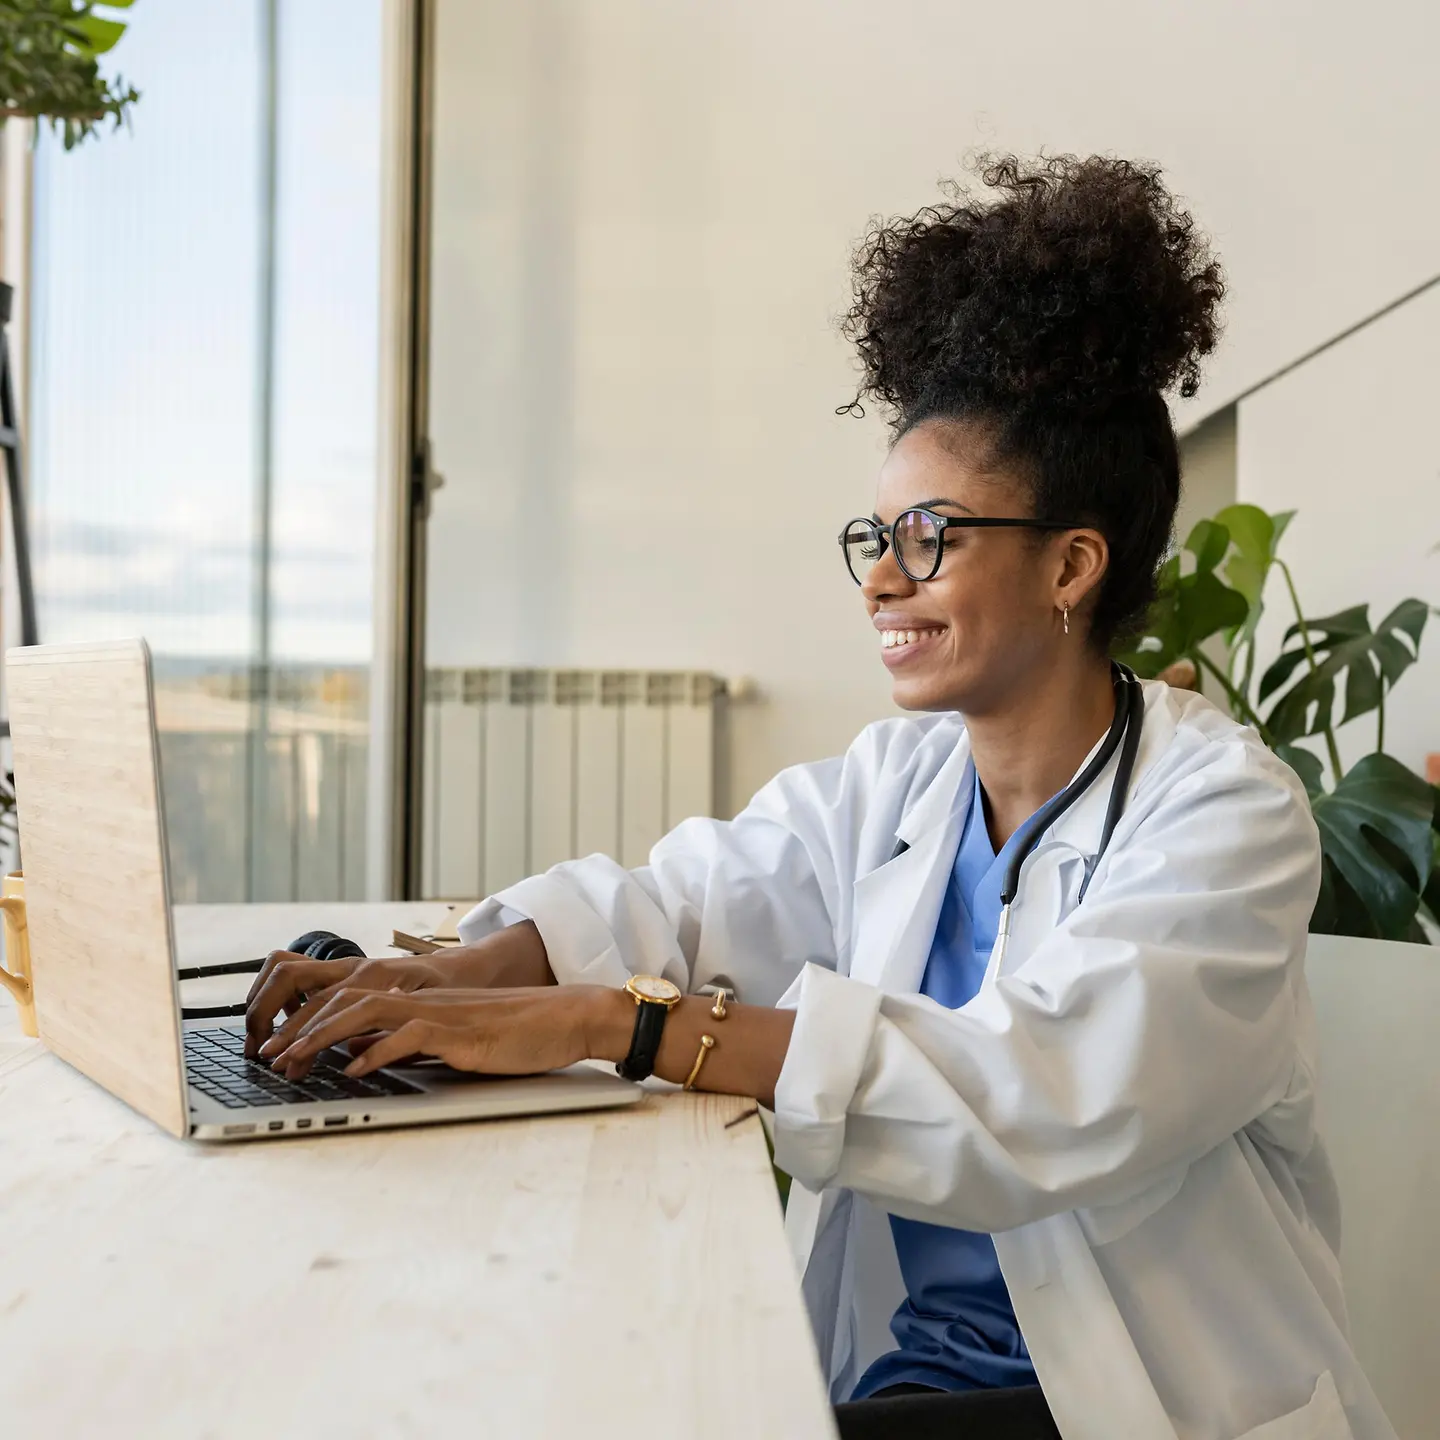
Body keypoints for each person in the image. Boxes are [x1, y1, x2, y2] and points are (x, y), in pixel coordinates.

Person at [245, 155, 1395, 1440]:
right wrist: (459, 981)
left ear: (1072, 565)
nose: (880, 584)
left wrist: (609, 1024)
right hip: (919, 1377)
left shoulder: (1225, 814)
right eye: (875, 538)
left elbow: (1035, 1092)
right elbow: (688, 900)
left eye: (929, 539)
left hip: (1122, 1406)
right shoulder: (899, 779)